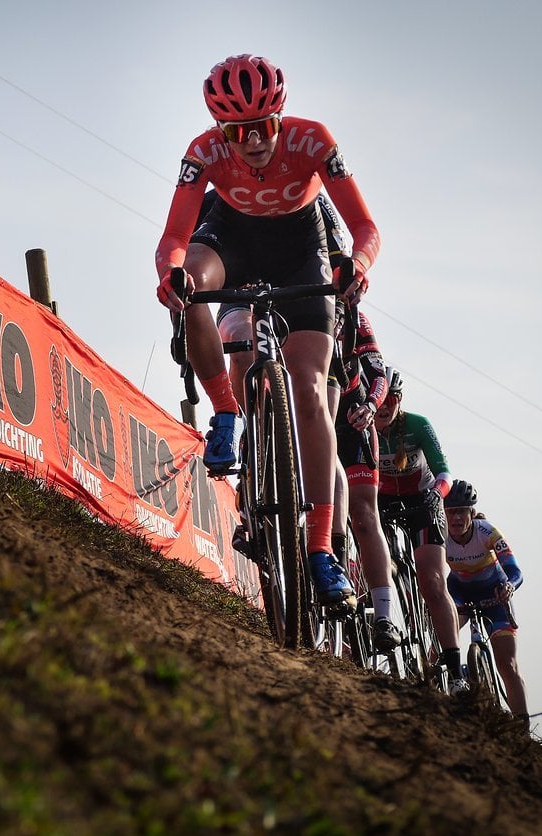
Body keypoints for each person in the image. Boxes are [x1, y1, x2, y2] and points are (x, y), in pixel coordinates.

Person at [155, 54, 380, 606]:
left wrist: (359, 264)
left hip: (301, 250)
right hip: (234, 238)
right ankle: (226, 411)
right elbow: (174, 238)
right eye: (238, 131)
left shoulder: (314, 141)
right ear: (220, 129)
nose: (253, 141)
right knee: (193, 290)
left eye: (264, 126)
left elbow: (365, 226)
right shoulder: (203, 152)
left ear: (281, 116)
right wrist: (170, 275)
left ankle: (321, 550)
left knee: (308, 388)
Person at [373, 369, 468, 693]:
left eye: (392, 399)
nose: (384, 406)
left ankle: (456, 673)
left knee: (431, 580)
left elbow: (444, 472)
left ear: (399, 400)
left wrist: (436, 493)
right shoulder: (363, 423)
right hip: (383, 500)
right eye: (380, 399)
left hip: (423, 500)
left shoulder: (417, 424)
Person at [329, 304, 403, 651]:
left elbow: (378, 374)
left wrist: (372, 406)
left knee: (363, 513)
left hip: (352, 419)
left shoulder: (353, 314)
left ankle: (385, 617)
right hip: (311, 416)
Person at [443, 479, 529, 719]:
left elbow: (515, 572)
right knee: (439, 640)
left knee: (507, 665)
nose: (455, 518)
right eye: (450, 512)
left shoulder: (487, 532)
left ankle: (523, 726)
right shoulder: (440, 535)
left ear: (472, 513)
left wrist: (509, 587)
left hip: (494, 592)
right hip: (460, 591)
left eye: (461, 512)